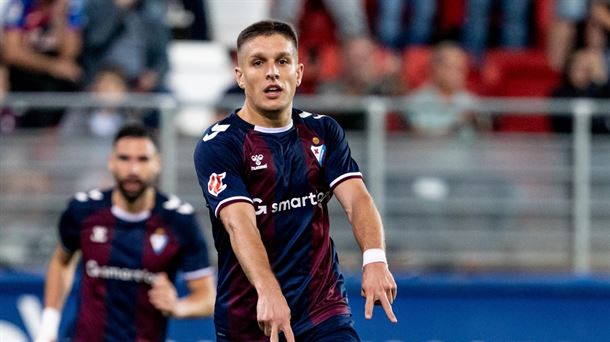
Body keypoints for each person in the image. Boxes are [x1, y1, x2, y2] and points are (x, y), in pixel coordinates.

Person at [194, 20, 397, 341]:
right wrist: (269, 290)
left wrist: (374, 258)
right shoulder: (221, 144)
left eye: (282, 61)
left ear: (299, 73)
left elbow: (357, 199)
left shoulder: (323, 131)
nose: (272, 72)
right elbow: (239, 224)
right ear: (240, 77)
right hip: (250, 315)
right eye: (258, 62)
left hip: (321, 307)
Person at [37, 123, 215, 341]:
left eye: (142, 159)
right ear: (111, 162)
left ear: (157, 163)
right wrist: (48, 325)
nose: (133, 170)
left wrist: (178, 307)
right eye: (124, 158)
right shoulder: (83, 211)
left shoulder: (179, 221)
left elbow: (207, 297)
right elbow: (61, 261)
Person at [2, 0, 84, 127]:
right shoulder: (20, 5)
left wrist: (58, 17)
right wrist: (51, 66)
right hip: (23, 71)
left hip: (52, 75)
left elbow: (70, 54)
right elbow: (11, 52)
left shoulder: (69, 7)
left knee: (73, 79)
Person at [405, 41, 486, 137]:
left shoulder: (471, 102)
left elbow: (484, 139)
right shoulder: (416, 101)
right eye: (451, 68)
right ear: (436, 68)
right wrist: (457, 125)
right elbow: (420, 136)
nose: (457, 74)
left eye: (460, 69)